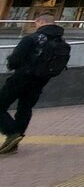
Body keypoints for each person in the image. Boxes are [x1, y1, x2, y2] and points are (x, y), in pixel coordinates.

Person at [1, 14, 71, 155]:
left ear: (41, 22)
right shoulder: (61, 41)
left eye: (36, 22)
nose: (35, 25)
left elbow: (15, 59)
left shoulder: (32, 38)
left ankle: (13, 134)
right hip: (41, 80)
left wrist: (12, 64)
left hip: (21, 77)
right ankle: (13, 143)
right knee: (25, 108)